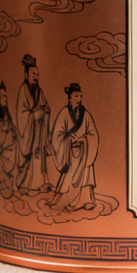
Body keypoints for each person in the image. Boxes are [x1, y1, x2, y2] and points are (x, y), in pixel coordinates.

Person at [50, 83, 99, 211]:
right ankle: (69, 199)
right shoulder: (64, 113)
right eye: (76, 96)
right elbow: (57, 133)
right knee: (70, 174)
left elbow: (92, 133)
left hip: (84, 150)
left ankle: (86, 200)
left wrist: (84, 139)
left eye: (80, 96)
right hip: (70, 152)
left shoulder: (85, 114)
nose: (79, 99)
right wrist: (69, 138)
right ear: (70, 98)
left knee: (87, 172)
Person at [15, 54, 52, 193]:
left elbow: (46, 107)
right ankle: (27, 184)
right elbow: (21, 113)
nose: (36, 76)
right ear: (26, 74)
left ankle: (41, 182)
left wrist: (44, 112)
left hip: (39, 133)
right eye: (33, 74)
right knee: (30, 161)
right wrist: (32, 115)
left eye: (37, 74)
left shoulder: (39, 91)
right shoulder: (22, 90)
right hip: (29, 133)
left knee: (40, 160)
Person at [0, 81, 20, 198]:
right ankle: (8, 187)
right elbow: (0, 129)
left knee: (15, 167)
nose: (3, 99)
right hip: (4, 147)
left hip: (12, 146)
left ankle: (15, 186)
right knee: (7, 168)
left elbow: (10, 125)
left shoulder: (7, 111)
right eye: (1, 96)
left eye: (5, 96)